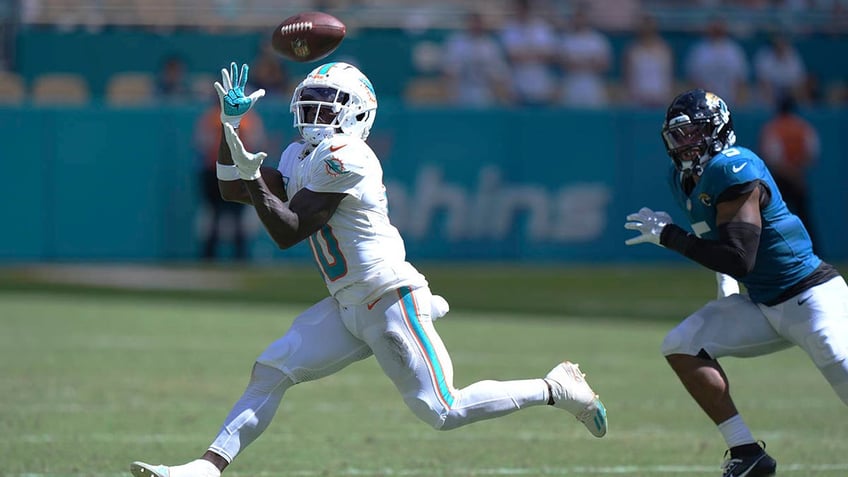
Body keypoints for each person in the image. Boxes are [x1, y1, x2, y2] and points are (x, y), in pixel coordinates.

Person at [129, 61, 607, 477]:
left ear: (357, 111)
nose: (315, 114)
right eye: (310, 103)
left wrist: (253, 176)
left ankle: (556, 387)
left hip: (388, 297)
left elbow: (288, 229)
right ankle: (207, 467)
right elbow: (233, 190)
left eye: (328, 104)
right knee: (271, 369)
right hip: (348, 303)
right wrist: (229, 129)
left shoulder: (350, 156)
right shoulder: (300, 152)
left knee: (442, 409)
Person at [624, 89, 848, 477]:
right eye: (678, 136)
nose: (685, 144)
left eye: (694, 133)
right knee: (681, 344)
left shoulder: (734, 167)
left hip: (810, 295)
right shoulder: (686, 179)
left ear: (718, 130)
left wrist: (671, 238)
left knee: (839, 364)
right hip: (765, 303)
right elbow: (719, 242)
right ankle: (747, 453)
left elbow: (738, 256)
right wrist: (725, 286)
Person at [193, 91, 266, 261]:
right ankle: (213, 255)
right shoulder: (213, 117)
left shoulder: (243, 119)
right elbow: (203, 144)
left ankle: (235, 256)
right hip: (217, 170)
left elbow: (255, 142)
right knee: (217, 214)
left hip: (230, 169)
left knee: (235, 215)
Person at [758, 93, 821, 252]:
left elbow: (772, 157)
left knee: (773, 218)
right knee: (803, 217)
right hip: (798, 177)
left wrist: (789, 172)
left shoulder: (774, 127)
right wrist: (797, 172)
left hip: (780, 179)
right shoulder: (802, 126)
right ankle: (812, 251)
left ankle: (772, 251)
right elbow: (812, 153)